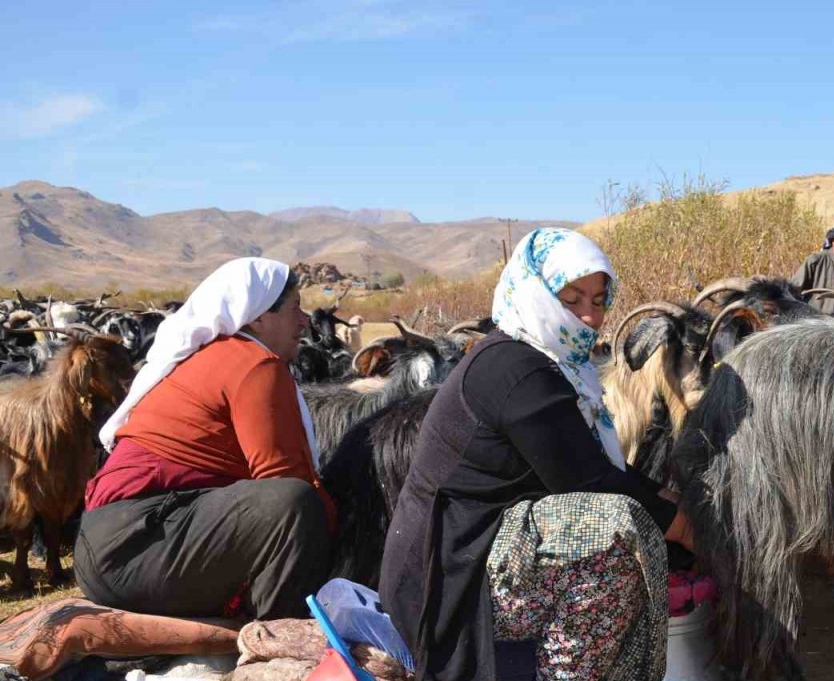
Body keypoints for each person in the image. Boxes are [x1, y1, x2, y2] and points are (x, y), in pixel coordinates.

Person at [380, 228, 695, 681]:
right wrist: (685, 526)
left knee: (636, 519)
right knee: (613, 533)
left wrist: (671, 500)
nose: (589, 316)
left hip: (476, 549)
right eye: (571, 299)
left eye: (599, 300)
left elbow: (591, 463)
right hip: (446, 577)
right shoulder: (517, 369)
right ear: (536, 291)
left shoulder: (551, 362)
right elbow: (589, 484)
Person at [75, 257, 334, 621]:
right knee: (294, 504)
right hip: (135, 549)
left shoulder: (205, 357)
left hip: (106, 546)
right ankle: (276, 631)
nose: (304, 320)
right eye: (295, 308)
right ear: (259, 315)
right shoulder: (254, 365)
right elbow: (284, 477)